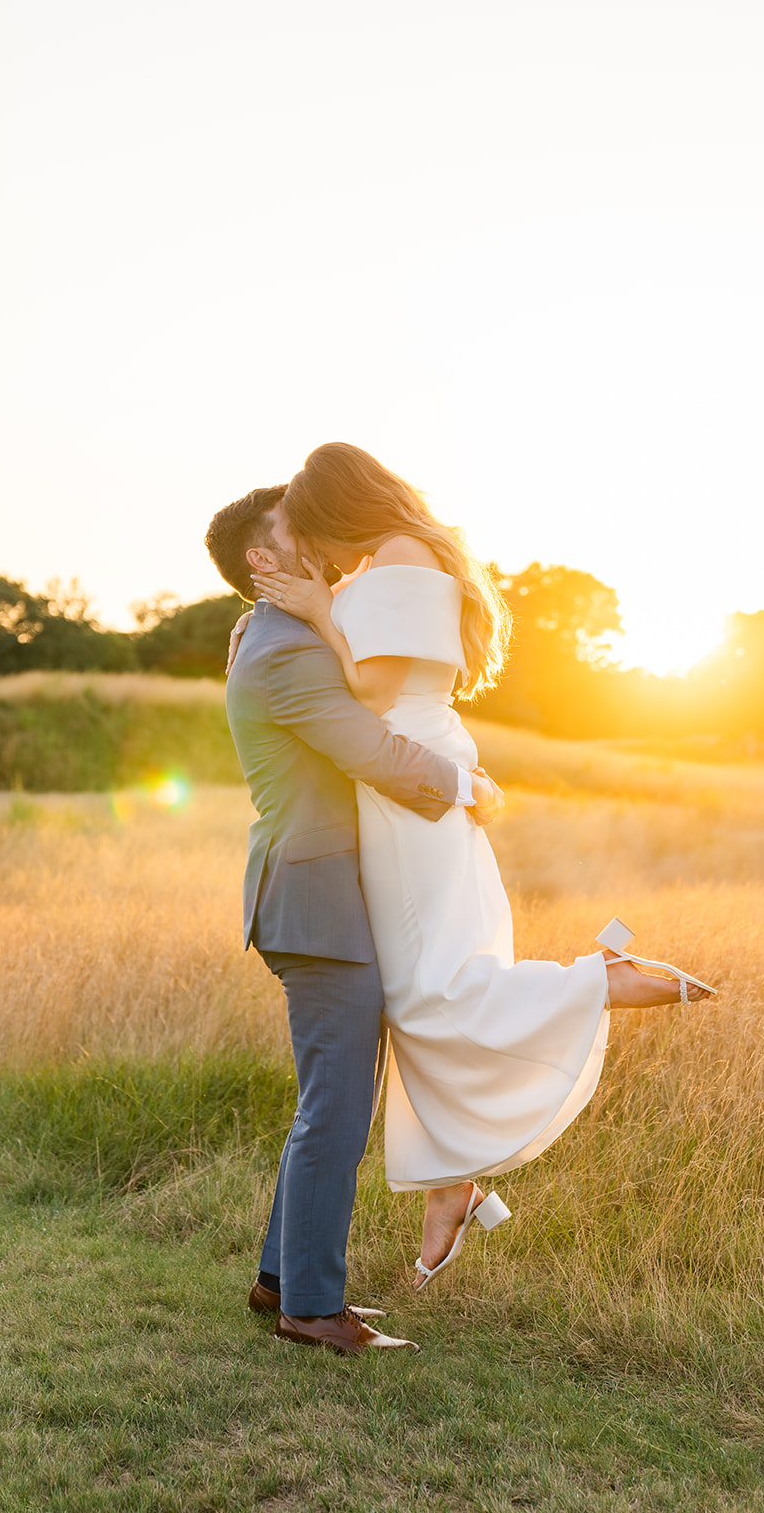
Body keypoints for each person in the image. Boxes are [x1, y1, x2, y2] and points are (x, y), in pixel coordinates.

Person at [246, 442, 715, 1291]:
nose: (314, 549)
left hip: (406, 775)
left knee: (430, 986)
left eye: (314, 527)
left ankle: (594, 983)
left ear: (339, 508)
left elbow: (371, 697)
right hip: (413, 770)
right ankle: (451, 1181)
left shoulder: (394, 561)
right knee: (419, 985)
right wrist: (319, 607)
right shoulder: (407, 554)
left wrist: (319, 613)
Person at [205, 486, 504, 1356]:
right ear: (262, 559)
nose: (324, 539)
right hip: (317, 897)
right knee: (336, 1105)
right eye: (299, 529)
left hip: (320, 893)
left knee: (328, 1099)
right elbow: (370, 750)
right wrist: (468, 787)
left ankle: (280, 1281)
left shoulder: (283, 633)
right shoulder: (280, 649)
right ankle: (312, 1308)